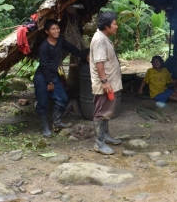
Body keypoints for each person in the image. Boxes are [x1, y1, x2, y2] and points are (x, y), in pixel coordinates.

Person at [33, 19, 89, 137]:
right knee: (42, 103)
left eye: (57, 28)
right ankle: (45, 127)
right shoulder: (44, 47)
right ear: (47, 31)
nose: (56, 31)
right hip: (42, 77)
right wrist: (49, 82)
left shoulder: (60, 41)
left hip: (53, 76)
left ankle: (56, 121)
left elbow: (72, 49)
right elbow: (44, 66)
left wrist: (85, 56)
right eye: (53, 29)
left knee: (63, 98)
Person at [90, 11, 123, 155]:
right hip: (105, 84)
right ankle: (99, 143)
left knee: (107, 111)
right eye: (114, 24)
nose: (116, 26)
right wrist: (104, 82)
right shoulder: (100, 40)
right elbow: (99, 62)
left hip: (109, 83)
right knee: (101, 113)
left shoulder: (103, 37)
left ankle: (106, 136)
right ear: (106, 26)